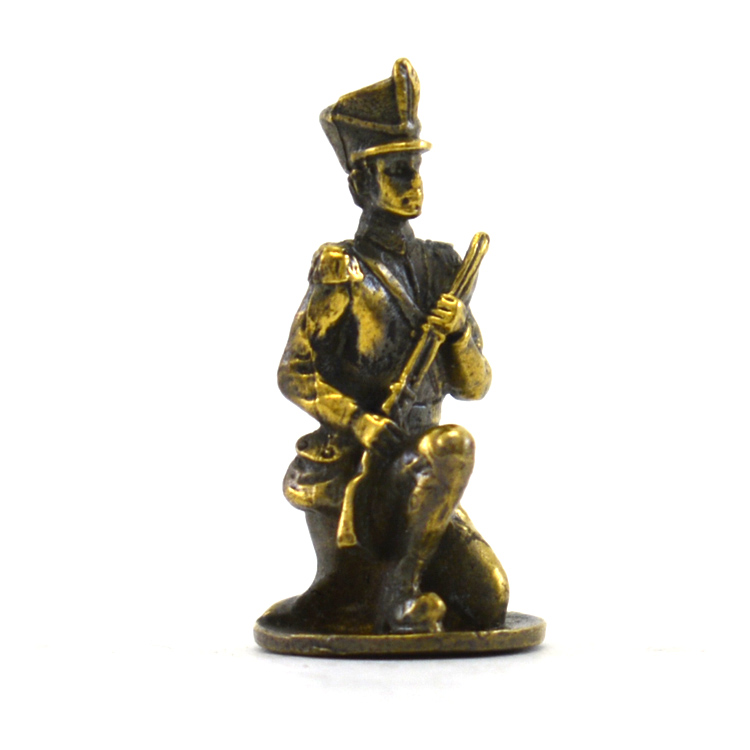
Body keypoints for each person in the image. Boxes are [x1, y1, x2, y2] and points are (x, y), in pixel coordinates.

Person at [277, 59, 508, 635]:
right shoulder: (342, 269)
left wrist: (458, 332)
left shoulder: (442, 265)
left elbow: (475, 385)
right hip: (360, 468)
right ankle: (397, 598)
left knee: (489, 601)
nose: (413, 183)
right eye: (397, 172)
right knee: (454, 443)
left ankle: (401, 588)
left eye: (416, 169)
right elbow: (294, 372)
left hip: (426, 476)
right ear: (361, 185)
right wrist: (360, 421)